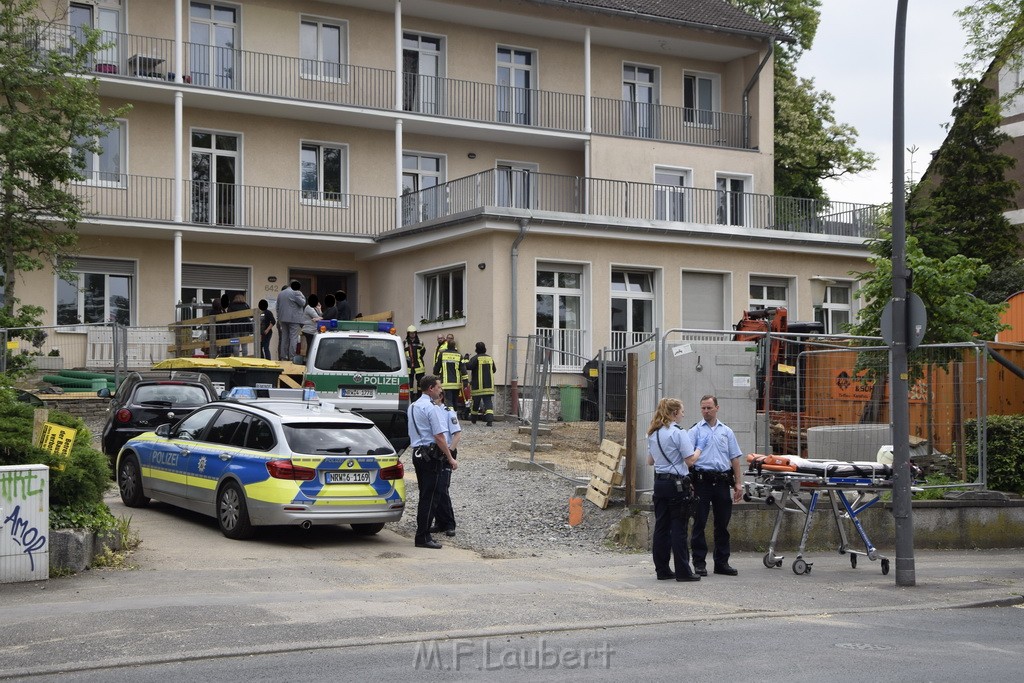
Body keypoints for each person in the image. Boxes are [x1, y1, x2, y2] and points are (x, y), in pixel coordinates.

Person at [688, 394, 744, 577]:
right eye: (703, 408)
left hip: (721, 482)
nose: (705, 411)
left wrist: (738, 483)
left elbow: (734, 458)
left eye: (709, 408)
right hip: (702, 482)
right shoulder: (695, 431)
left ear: (717, 408)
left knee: (722, 524)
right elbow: (687, 459)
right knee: (699, 523)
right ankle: (699, 563)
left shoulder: (726, 432)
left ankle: (722, 563)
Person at [648, 397, 702, 582]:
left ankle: (662, 569)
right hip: (676, 484)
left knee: (661, 527)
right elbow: (690, 460)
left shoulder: (653, 433)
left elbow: (650, 461)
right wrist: (699, 450)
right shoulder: (678, 433)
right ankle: (683, 571)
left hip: (659, 483)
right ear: (673, 413)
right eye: (681, 411)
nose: (683, 414)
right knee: (678, 528)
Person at [406, 375, 458, 549]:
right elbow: (439, 436)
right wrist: (450, 457)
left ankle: (423, 532)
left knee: (424, 495)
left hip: (418, 454)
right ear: (430, 388)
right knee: (431, 497)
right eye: (438, 387)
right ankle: (423, 536)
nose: (440, 390)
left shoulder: (412, 406)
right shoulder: (431, 408)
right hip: (431, 456)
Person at [428, 387, 461, 537]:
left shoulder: (449, 412)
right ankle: (439, 522)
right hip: (435, 453)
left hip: (446, 453)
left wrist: (450, 452)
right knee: (435, 488)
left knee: (442, 488)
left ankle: (449, 523)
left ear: (440, 397)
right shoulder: (431, 411)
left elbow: (457, 434)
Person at [467, 341, 497, 426]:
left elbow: (468, 366)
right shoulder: (490, 358)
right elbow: (494, 370)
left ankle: (473, 420)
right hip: (488, 386)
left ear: (476, 349)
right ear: (485, 349)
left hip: (478, 386)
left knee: (475, 403)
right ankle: (490, 421)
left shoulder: (475, 358)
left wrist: (466, 359)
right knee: (488, 402)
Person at [277, 280, 306, 362]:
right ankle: (292, 357)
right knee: (293, 338)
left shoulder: (281, 293)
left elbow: (277, 307)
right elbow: (303, 303)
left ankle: (283, 356)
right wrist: (301, 295)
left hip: (283, 318)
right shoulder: (296, 292)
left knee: (284, 338)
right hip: (294, 319)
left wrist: (279, 318)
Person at [434, 338, 464, 408]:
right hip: (457, 384)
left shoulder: (442, 354)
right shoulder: (459, 355)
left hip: (446, 383)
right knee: (455, 400)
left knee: (448, 401)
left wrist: (436, 373)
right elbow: (463, 369)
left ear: (447, 346)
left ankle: (451, 417)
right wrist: (465, 382)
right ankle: (455, 416)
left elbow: (437, 366)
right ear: (454, 346)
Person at [225, 292, 251, 357]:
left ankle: (236, 357)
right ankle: (245, 358)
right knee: (244, 344)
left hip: (234, 328)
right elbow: (250, 315)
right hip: (245, 328)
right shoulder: (246, 305)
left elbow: (228, 316)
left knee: (235, 344)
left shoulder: (231, 305)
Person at [405, 325, 426, 398]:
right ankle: (410, 398)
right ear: (408, 333)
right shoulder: (405, 343)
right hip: (408, 366)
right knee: (409, 384)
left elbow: (423, 352)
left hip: (419, 366)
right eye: (411, 333)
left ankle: (419, 397)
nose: (412, 334)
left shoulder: (420, 342)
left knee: (420, 383)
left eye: (414, 333)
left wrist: (418, 359)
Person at [300, 293, 322, 358]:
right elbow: (317, 317)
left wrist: (319, 309)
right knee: (310, 346)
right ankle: (308, 359)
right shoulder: (309, 307)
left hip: (311, 330)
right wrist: (320, 317)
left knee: (311, 346)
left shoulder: (313, 308)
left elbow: (320, 316)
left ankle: (308, 359)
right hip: (309, 330)